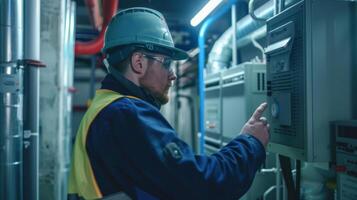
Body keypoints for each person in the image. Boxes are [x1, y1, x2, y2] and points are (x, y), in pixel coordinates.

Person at [68, 7, 270, 200]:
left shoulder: (104, 106)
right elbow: (202, 186)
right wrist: (251, 143)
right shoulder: (127, 113)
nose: (173, 74)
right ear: (139, 62)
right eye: (166, 63)